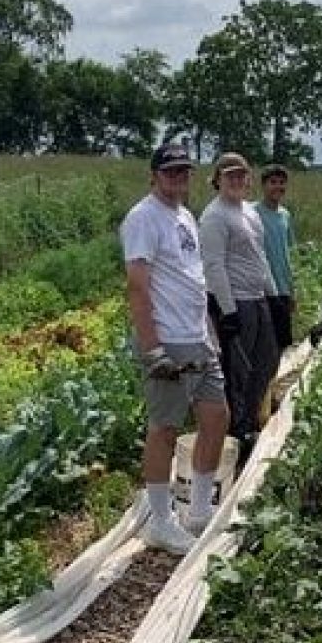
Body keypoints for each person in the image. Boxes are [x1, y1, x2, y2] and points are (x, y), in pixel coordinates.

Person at [120, 143, 229, 554]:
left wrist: (209, 331)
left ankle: (199, 512)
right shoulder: (143, 218)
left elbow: (193, 279)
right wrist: (153, 349)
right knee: (165, 428)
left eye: (183, 171)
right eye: (170, 172)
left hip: (198, 337)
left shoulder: (184, 215)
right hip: (168, 340)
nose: (178, 178)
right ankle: (161, 522)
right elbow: (138, 285)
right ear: (154, 176)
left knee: (217, 417)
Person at [199, 152, 280, 471]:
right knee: (238, 370)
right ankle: (235, 432)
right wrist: (228, 311)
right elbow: (214, 265)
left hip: (258, 298)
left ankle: (249, 420)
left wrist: (274, 296)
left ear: (248, 179)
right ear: (217, 180)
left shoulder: (249, 212)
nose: (235, 180)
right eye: (228, 175)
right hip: (236, 303)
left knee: (267, 360)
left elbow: (260, 257)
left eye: (240, 175)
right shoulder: (214, 216)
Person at [256, 164, 296, 353]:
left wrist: (291, 289)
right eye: (273, 182)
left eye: (281, 183)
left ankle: (275, 380)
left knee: (282, 342)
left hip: (282, 287)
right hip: (262, 288)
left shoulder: (285, 215)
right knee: (263, 344)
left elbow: (288, 254)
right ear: (263, 185)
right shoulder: (252, 213)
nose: (278, 187)